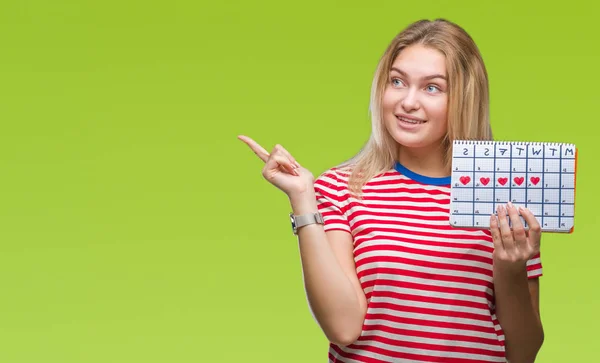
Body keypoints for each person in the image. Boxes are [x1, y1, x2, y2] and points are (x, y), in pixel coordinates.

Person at [238, 18, 544, 363]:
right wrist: (302, 198)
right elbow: (343, 328)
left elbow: (524, 353)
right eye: (397, 82)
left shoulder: (503, 196)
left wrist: (511, 267)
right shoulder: (341, 188)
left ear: (465, 98)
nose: (407, 102)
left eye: (432, 88)